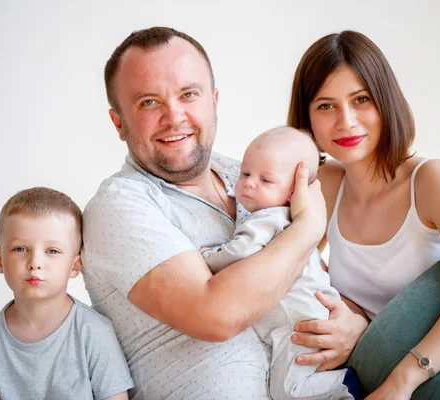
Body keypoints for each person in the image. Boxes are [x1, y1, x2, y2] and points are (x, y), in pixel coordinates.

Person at [82, 27, 326, 399]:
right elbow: (216, 315)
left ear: (213, 101)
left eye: (188, 94)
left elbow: (313, 279)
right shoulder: (119, 206)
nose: (173, 117)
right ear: (119, 123)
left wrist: (352, 326)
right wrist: (308, 228)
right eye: (149, 102)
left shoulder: (246, 173)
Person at [286, 30, 440, 399]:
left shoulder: (432, 180)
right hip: (367, 373)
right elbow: (290, 268)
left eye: (361, 99)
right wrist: (352, 319)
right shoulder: (325, 184)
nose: (346, 121)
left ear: (386, 100)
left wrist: (402, 382)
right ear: (307, 119)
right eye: (326, 106)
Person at [202, 126, 360, 400]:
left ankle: (344, 388)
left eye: (266, 180)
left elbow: (238, 253)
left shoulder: (269, 219)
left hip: (299, 323)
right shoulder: (288, 220)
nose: (250, 183)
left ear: (292, 192)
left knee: (288, 390)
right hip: (305, 316)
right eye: (246, 174)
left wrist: (204, 257)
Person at [0, 187, 133, 400]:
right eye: (20, 249)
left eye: (52, 251)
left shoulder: (95, 333)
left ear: (75, 266)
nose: (35, 263)